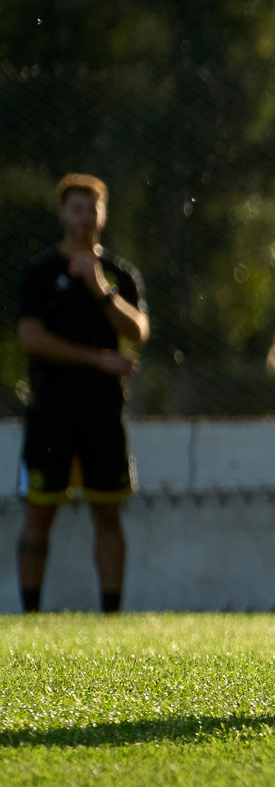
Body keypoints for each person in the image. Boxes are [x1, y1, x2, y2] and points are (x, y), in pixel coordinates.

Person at [15, 174, 149, 614]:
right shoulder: (39, 273)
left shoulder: (119, 275)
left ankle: (111, 614)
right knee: (39, 513)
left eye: (93, 208)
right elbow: (31, 338)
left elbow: (137, 331)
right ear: (62, 213)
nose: (85, 217)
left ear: (103, 214)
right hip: (51, 411)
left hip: (103, 414)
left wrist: (99, 287)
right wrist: (98, 360)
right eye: (76, 208)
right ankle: (30, 613)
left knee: (107, 514)